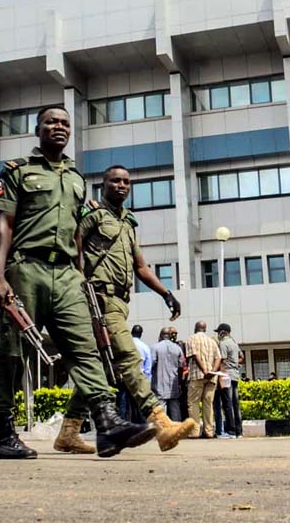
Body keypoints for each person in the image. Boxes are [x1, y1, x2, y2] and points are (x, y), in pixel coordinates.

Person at [0, 106, 154, 460]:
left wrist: (80, 276)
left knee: (86, 348)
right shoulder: (18, 170)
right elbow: (4, 226)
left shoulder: (77, 178)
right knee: (13, 352)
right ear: (38, 129)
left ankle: (107, 424)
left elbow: (77, 236)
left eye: (64, 123)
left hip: (67, 275)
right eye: (51, 122)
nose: (58, 127)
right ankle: (1, 432)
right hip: (26, 268)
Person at [54, 165, 195, 455]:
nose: (121, 185)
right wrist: (80, 286)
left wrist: (166, 293)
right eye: (115, 181)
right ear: (103, 185)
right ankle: (161, 423)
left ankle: (68, 433)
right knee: (129, 358)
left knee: (99, 370)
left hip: (120, 301)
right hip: (99, 299)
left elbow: (140, 266)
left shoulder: (128, 223)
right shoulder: (93, 215)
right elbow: (73, 248)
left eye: (126, 182)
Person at [185, 321, 221, 438]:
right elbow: (218, 358)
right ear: (205, 329)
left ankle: (194, 431)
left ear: (195, 328)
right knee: (208, 404)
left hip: (197, 375)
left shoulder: (191, 339)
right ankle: (209, 431)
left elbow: (195, 355)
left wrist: (204, 370)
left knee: (193, 403)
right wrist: (212, 371)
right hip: (211, 377)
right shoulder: (212, 341)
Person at [151, 327, 187, 421]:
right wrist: (179, 382)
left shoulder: (155, 347)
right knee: (175, 411)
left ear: (160, 335)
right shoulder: (177, 348)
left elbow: (151, 364)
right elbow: (181, 367)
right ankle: (177, 428)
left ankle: (163, 429)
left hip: (159, 385)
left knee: (161, 413)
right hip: (173, 386)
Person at [215, 323, 243, 438]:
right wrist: (235, 363)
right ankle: (239, 430)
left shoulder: (223, 343)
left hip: (227, 375)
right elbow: (241, 357)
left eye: (218, 332)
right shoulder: (234, 343)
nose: (218, 334)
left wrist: (220, 376)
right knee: (235, 404)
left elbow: (222, 360)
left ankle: (231, 430)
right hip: (235, 375)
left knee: (228, 403)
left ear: (223, 332)